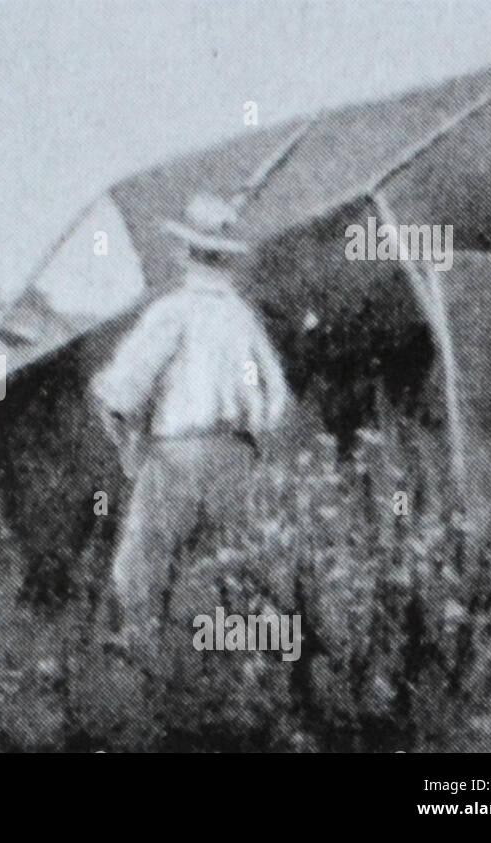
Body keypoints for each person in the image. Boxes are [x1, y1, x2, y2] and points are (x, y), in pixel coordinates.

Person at [90, 192, 291, 643]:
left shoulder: (173, 312)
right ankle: (244, 662)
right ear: (227, 261)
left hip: (177, 454)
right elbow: (276, 396)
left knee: (141, 564)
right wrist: (252, 435)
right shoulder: (243, 319)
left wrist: (123, 436)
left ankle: (143, 656)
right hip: (237, 456)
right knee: (238, 563)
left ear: (184, 253)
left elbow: (122, 390)